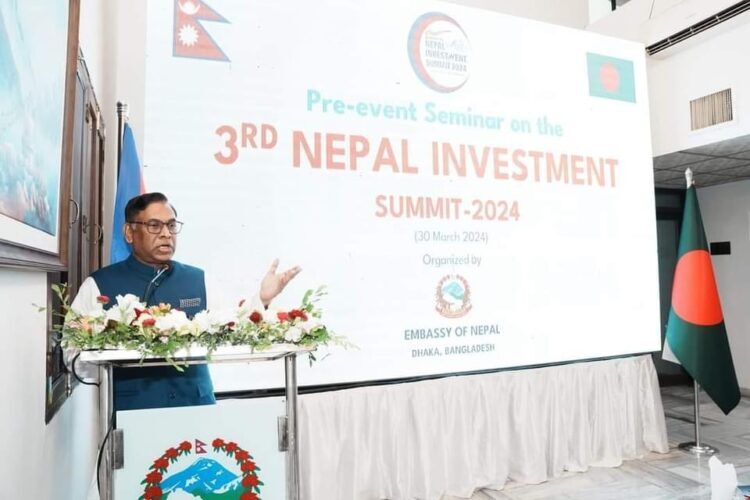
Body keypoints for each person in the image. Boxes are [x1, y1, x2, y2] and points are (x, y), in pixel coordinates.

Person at [70, 192, 300, 411]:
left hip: (195, 409)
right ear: (129, 232)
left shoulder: (199, 280)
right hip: (132, 414)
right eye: (154, 225)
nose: (166, 234)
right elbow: (72, 355)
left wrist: (262, 299)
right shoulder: (99, 285)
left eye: (171, 226)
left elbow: (235, 325)